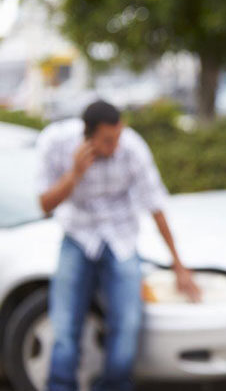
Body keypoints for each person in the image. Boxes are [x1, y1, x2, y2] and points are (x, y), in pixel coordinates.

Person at [37, 100, 202, 391]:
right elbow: (44, 205)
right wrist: (74, 174)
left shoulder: (132, 148)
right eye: (107, 140)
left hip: (121, 237)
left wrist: (179, 264)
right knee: (64, 325)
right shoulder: (56, 142)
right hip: (78, 234)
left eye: (118, 136)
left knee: (127, 323)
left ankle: (114, 386)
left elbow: (155, 205)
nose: (115, 145)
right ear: (87, 137)